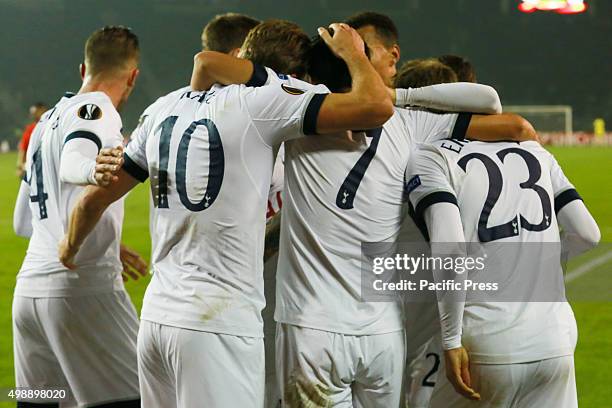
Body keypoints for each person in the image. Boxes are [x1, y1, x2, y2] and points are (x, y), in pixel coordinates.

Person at [59, 21, 394, 408]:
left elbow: (91, 201)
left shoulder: (162, 107)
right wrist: (353, 52)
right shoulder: (267, 101)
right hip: (217, 325)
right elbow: (376, 107)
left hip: (156, 322)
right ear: (295, 75)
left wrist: (68, 249)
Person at [405, 135, 600, 407]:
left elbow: (450, 251)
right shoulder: (535, 151)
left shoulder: (432, 155)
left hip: (487, 341)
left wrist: (451, 341)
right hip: (556, 338)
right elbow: (588, 234)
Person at [12, 26, 145, 407]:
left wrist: (99, 235)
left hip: (29, 297)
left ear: (82, 67)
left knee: (42, 401)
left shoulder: (43, 124)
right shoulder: (98, 108)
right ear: (133, 75)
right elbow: (76, 161)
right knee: (135, 398)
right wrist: (94, 172)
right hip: (81, 293)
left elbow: (24, 221)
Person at [345, 11, 401, 87]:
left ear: (393, 55)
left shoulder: (419, 96)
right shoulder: (331, 96)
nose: (353, 62)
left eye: (363, 52)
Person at [16, 102, 47, 178]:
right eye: (32, 113)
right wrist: (20, 166)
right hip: (33, 166)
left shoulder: (52, 125)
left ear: (43, 110)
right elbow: (23, 148)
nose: (33, 115)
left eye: (35, 112)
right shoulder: (30, 129)